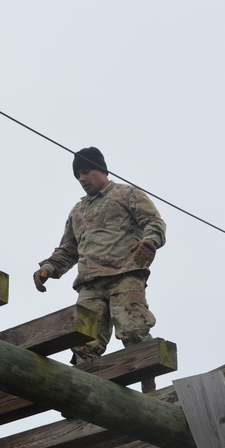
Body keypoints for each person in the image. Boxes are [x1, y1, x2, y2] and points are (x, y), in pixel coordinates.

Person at [33, 147, 166, 391]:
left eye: (85, 172)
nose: (82, 179)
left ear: (101, 170)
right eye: (77, 176)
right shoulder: (78, 211)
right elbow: (68, 249)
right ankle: (84, 394)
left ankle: (149, 389)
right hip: (90, 285)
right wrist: (48, 268)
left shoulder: (127, 194)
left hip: (124, 275)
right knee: (84, 341)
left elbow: (154, 222)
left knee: (133, 328)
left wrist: (150, 241)